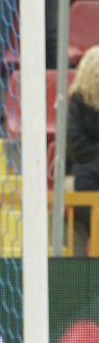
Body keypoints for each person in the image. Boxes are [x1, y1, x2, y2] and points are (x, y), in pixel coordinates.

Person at [66, 46, 99, 252]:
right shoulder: (78, 100)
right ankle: (95, 233)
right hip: (87, 165)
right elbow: (75, 141)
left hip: (92, 163)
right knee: (86, 176)